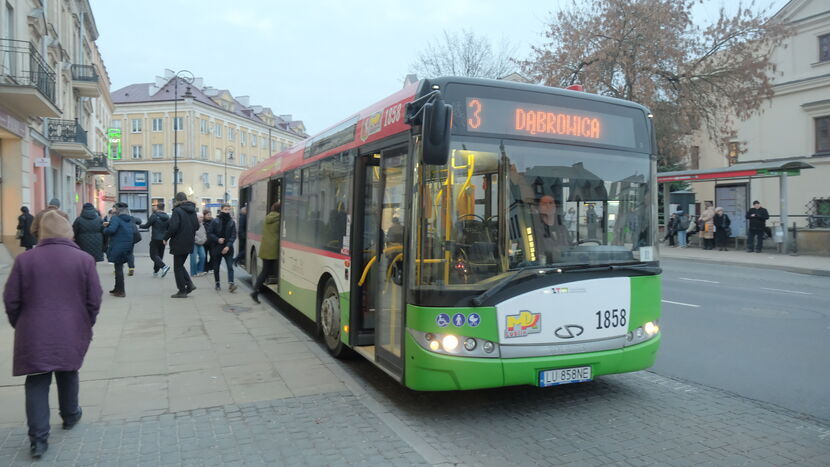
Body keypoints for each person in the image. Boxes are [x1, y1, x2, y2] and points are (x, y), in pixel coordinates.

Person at [4, 210, 102, 459]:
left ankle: (38, 440)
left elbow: (11, 298)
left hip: (33, 330)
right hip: (71, 326)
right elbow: (94, 298)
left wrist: (21, 324)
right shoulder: (83, 259)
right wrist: (85, 323)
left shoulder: (25, 260)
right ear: (68, 231)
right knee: (68, 370)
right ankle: (70, 416)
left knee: (37, 381)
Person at [165, 192, 199, 298]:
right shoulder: (192, 211)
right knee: (180, 265)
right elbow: (197, 226)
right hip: (189, 241)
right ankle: (189, 285)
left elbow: (173, 227)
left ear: (177, 200)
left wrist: (165, 237)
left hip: (179, 242)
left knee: (177, 267)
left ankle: (182, 290)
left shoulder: (177, 211)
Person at [103, 203, 136, 297]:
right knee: (118, 267)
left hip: (118, 245)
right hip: (127, 244)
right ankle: (117, 288)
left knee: (118, 268)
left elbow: (112, 230)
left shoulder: (115, 218)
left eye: (114, 208)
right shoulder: (129, 219)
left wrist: (105, 229)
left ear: (117, 210)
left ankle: (121, 291)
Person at [251, 203, 280, 303]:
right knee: (265, 271)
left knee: (265, 270)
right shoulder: (280, 220)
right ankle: (255, 291)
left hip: (265, 248)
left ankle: (256, 290)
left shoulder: (267, 218)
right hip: (273, 249)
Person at [208, 203, 238, 292]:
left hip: (228, 248)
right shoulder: (215, 221)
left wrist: (228, 246)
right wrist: (217, 239)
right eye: (225, 209)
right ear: (221, 210)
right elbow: (209, 233)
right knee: (216, 266)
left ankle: (231, 284)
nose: (227, 211)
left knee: (230, 266)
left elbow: (233, 235)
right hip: (217, 247)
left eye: (228, 209)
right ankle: (217, 283)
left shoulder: (232, 222)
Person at [533, 195, 569, 264]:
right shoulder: (536, 229)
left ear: (555, 207)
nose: (548, 206)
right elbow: (537, 253)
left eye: (551, 203)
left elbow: (570, 247)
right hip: (546, 268)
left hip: (565, 266)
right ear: (539, 208)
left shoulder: (562, 228)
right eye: (544, 204)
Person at [141, 203, 171, 277]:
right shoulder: (167, 217)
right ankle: (156, 271)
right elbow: (169, 229)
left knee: (153, 255)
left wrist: (139, 225)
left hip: (155, 238)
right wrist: (166, 238)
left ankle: (164, 267)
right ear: (164, 208)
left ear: (157, 208)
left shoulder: (154, 216)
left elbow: (146, 226)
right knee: (159, 256)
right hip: (163, 240)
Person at [191, 212, 208, 277]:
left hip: (201, 243)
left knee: (203, 256)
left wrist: (204, 239)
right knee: (193, 259)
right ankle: (193, 273)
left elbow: (204, 233)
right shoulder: (192, 224)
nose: (202, 218)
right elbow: (192, 234)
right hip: (194, 243)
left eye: (202, 217)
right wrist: (199, 240)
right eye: (201, 217)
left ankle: (200, 270)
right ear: (196, 217)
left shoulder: (202, 224)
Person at [202, 209, 215, 273]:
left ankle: (211, 267)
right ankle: (205, 268)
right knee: (204, 256)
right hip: (204, 242)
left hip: (212, 242)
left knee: (213, 255)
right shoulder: (201, 222)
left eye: (210, 215)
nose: (209, 216)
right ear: (204, 215)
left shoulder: (213, 221)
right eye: (208, 215)